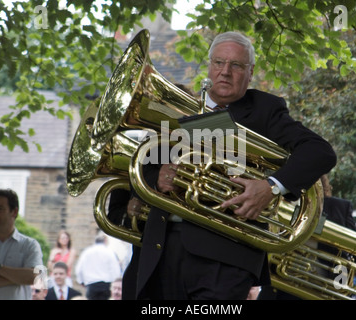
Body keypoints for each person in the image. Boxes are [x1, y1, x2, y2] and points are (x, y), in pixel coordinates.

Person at [131, 31, 337, 300]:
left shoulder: (264, 109)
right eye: (219, 63)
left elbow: (320, 152)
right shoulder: (178, 109)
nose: (225, 72)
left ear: (250, 73)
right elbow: (143, 167)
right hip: (160, 250)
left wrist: (270, 187)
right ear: (209, 66)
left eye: (236, 65)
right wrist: (157, 176)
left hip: (224, 259)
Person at [75, 232, 122, 300]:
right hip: (106, 285)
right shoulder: (109, 252)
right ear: (106, 241)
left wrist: (81, 281)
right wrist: (115, 283)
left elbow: (79, 269)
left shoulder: (87, 252)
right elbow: (115, 269)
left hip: (91, 285)